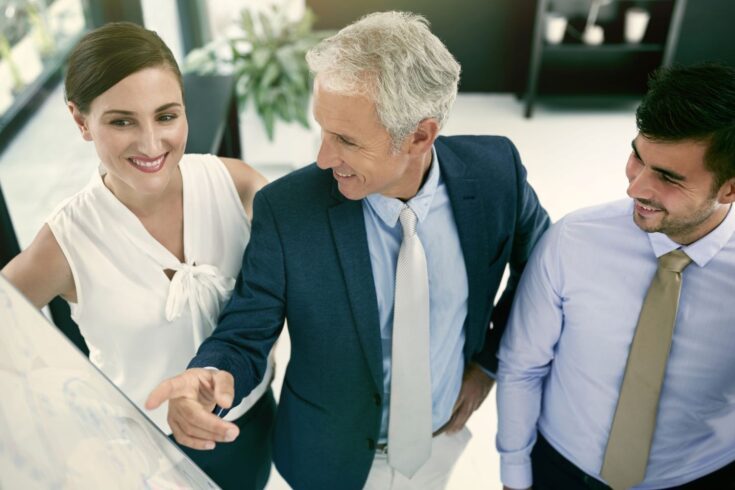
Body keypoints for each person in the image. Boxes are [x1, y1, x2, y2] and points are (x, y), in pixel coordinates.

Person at [147, 11, 550, 490]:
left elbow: (542, 268)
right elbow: (246, 329)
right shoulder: (289, 210)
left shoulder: (496, 172)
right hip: (328, 462)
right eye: (322, 129)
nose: (322, 157)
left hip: (440, 441)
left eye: (346, 140)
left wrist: (487, 363)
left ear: (420, 135)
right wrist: (209, 375)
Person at [1, 22, 275, 490]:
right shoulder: (65, 241)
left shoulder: (239, 186)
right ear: (80, 120)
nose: (151, 144)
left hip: (250, 425)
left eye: (166, 116)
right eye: (122, 121)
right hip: (143, 456)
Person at [496, 63, 735, 490]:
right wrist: (515, 476)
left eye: (667, 177)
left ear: (729, 189)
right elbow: (522, 367)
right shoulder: (572, 240)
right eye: (638, 158)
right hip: (560, 471)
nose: (636, 188)